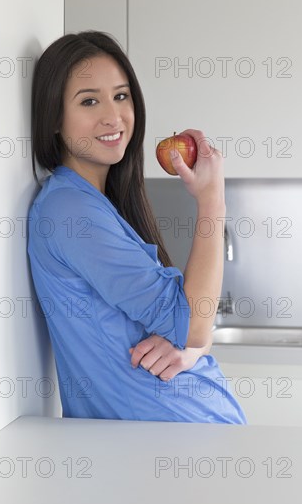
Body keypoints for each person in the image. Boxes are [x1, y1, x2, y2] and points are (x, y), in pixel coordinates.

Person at [28, 30, 247, 424]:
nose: (113, 116)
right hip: (157, 451)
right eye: (89, 100)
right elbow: (195, 322)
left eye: (121, 95)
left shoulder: (103, 205)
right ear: (55, 118)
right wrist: (212, 201)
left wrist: (189, 349)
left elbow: (193, 328)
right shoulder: (70, 211)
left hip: (175, 443)